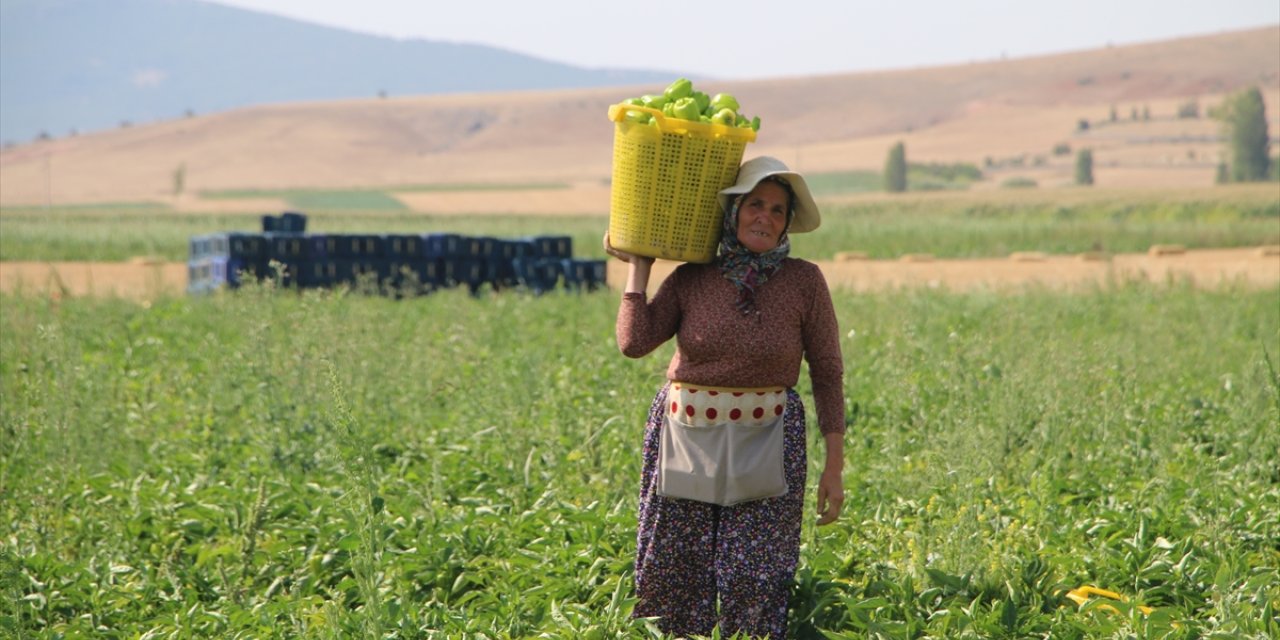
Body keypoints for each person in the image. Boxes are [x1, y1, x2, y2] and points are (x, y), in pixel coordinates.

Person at [605, 156, 846, 638]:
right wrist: (640, 269)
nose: (766, 217)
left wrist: (834, 466)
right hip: (686, 435)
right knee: (673, 572)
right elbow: (634, 343)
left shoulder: (804, 281)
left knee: (755, 577)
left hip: (770, 435)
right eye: (755, 205)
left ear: (786, 225)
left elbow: (827, 371)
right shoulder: (694, 278)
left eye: (778, 211)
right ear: (733, 214)